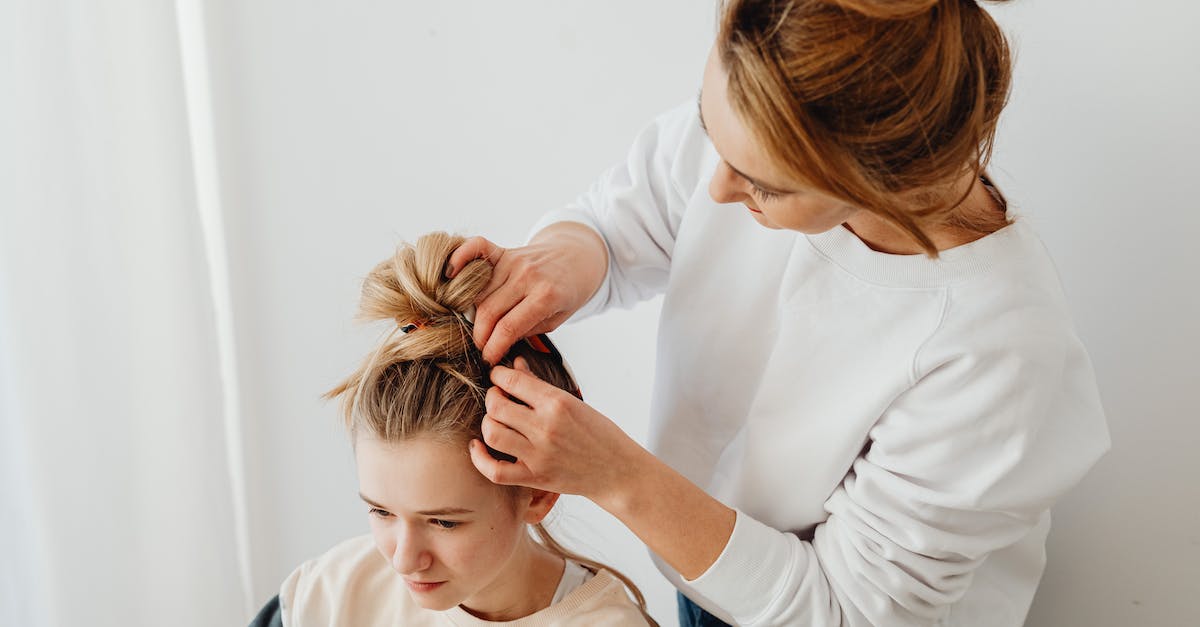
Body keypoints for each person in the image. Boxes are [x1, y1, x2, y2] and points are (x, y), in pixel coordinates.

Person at [445, 1, 1110, 625]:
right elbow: (632, 212)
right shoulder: (760, 127)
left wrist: (615, 474)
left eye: (760, 182)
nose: (717, 186)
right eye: (712, 132)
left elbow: (842, 609)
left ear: (874, 180)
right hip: (704, 569)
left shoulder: (997, 352)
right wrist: (568, 254)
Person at [255, 233, 657, 626]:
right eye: (381, 511)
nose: (404, 560)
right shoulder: (329, 595)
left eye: (444, 522)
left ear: (538, 493)